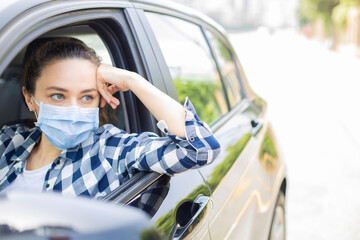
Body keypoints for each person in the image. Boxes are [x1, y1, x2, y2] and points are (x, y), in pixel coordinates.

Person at [0, 37, 220, 198]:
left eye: (87, 97)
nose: (74, 110)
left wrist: (132, 80)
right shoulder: (8, 140)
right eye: (58, 96)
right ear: (29, 98)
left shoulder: (111, 149)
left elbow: (201, 149)